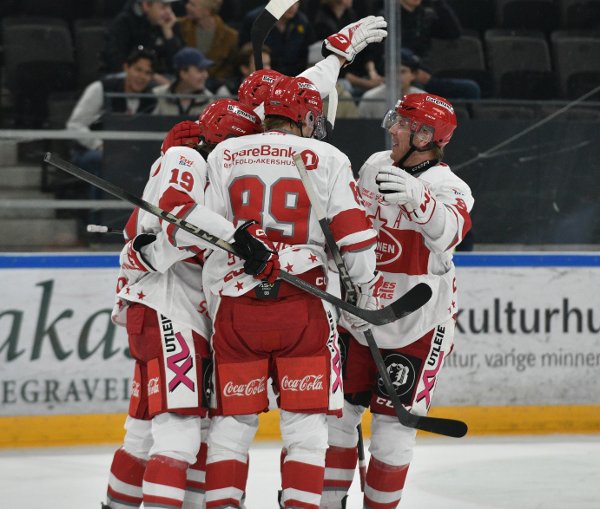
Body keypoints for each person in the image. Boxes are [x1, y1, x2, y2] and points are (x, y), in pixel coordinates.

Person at [200, 76, 380, 509]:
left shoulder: (226, 153)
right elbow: (357, 243)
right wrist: (360, 287)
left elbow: (204, 230)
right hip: (304, 308)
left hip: (237, 307)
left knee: (231, 428)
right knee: (306, 431)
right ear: (307, 117)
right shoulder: (329, 156)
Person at [104, 100, 276, 509]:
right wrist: (238, 239)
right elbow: (174, 219)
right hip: (170, 309)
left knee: (145, 434)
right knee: (180, 433)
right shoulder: (188, 158)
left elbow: (144, 236)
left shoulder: (193, 165)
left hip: (170, 309)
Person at [321, 92, 474, 508]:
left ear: (425, 136)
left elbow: (450, 233)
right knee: (335, 420)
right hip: (358, 315)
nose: (393, 129)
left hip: (415, 325)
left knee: (391, 433)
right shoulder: (374, 165)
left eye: (403, 124)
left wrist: (418, 198)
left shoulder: (449, 186)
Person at [66, 47, 157, 177]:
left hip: (129, 153)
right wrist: (99, 145)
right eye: (138, 70)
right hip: (92, 150)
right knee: (105, 161)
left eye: (147, 73)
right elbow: (74, 125)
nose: (142, 77)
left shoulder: (151, 100)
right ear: (126, 68)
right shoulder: (101, 88)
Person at [102, 0, 184, 78]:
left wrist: (169, 35)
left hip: (160, 77)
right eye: (163, 7)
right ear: (146, 5)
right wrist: (151, 76)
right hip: (128, 76)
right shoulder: (124, 23)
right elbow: (116, 61)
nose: (169, 12)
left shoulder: (168, 23)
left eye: (170, 6)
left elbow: (178, 66)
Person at [238, 1, 315, 76]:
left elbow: (304, 56)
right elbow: (244, 54)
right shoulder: (254, 20)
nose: (292, 7)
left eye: (296, 2)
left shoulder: (302, 22)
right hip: (263, 76)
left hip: (292, 77)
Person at [179, 0, 239, 88]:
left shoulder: (230, 36)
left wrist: (217, 81)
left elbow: (230, 67)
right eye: (188, 3)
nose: (187, 6)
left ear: (207, 11)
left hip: (216, 86)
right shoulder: (180, 26)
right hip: (186, 81)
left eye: (192, 5)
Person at [358, 48, 425, 119]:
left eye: (403, 72)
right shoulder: (370, 99)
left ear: (413, 74)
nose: (397, 77)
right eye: (393, 71)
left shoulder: (424, 100)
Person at [153, 47, 215, 115]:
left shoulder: (209, 100)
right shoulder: (157, 95)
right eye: (200, 70)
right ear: (183, 73)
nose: (206, 75)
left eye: (206, 70)